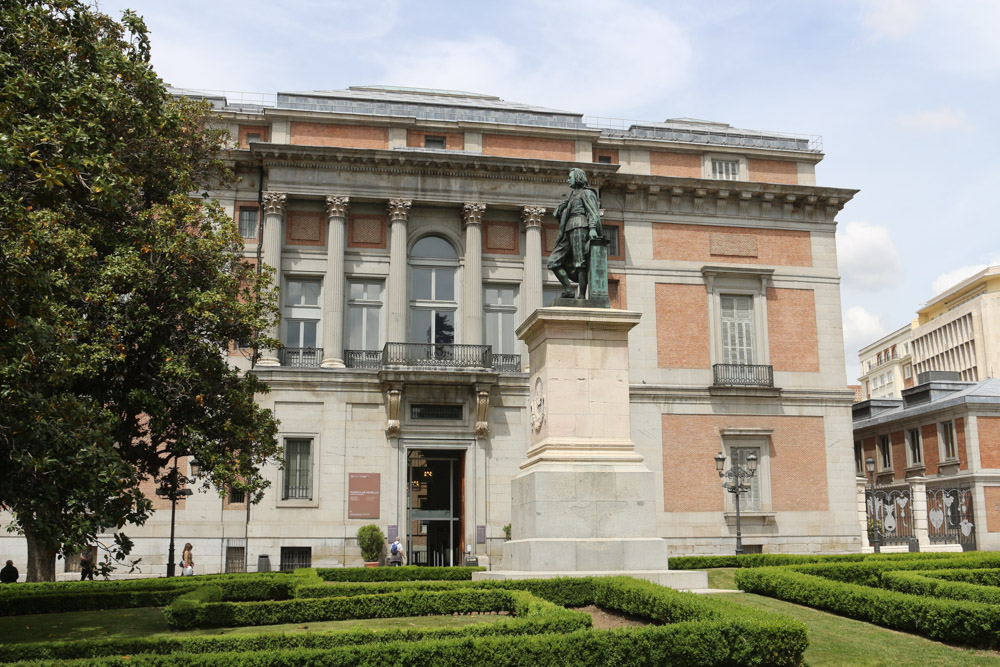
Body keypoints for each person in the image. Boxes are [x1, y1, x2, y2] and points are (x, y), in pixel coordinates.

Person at [548, 167, 603, 299]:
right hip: (568, 229)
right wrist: (562, 209)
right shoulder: (572, 196)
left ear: (577, 177)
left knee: (580, 262)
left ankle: (582, 296)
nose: (568, 180)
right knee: (553, 262)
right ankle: (570, 291)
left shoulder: (587, 193)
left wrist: (593, 228)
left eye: (570, 177)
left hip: (580, 226)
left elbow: (593, 212)